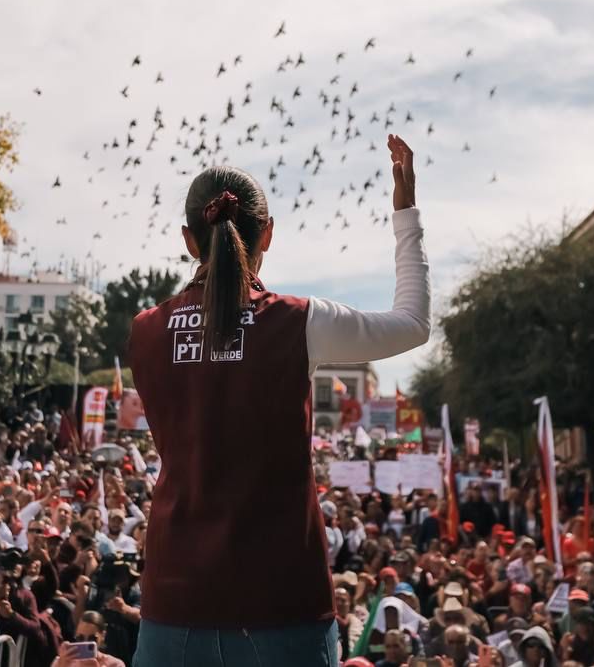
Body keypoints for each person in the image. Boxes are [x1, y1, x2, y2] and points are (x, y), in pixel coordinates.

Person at [128, 137, 429, 665]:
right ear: (267, 232)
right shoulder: (298, 322)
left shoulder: (146, 330)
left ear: (188, 240)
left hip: (172, 600)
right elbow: (414, 324)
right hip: (281, 604)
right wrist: (405, 213)